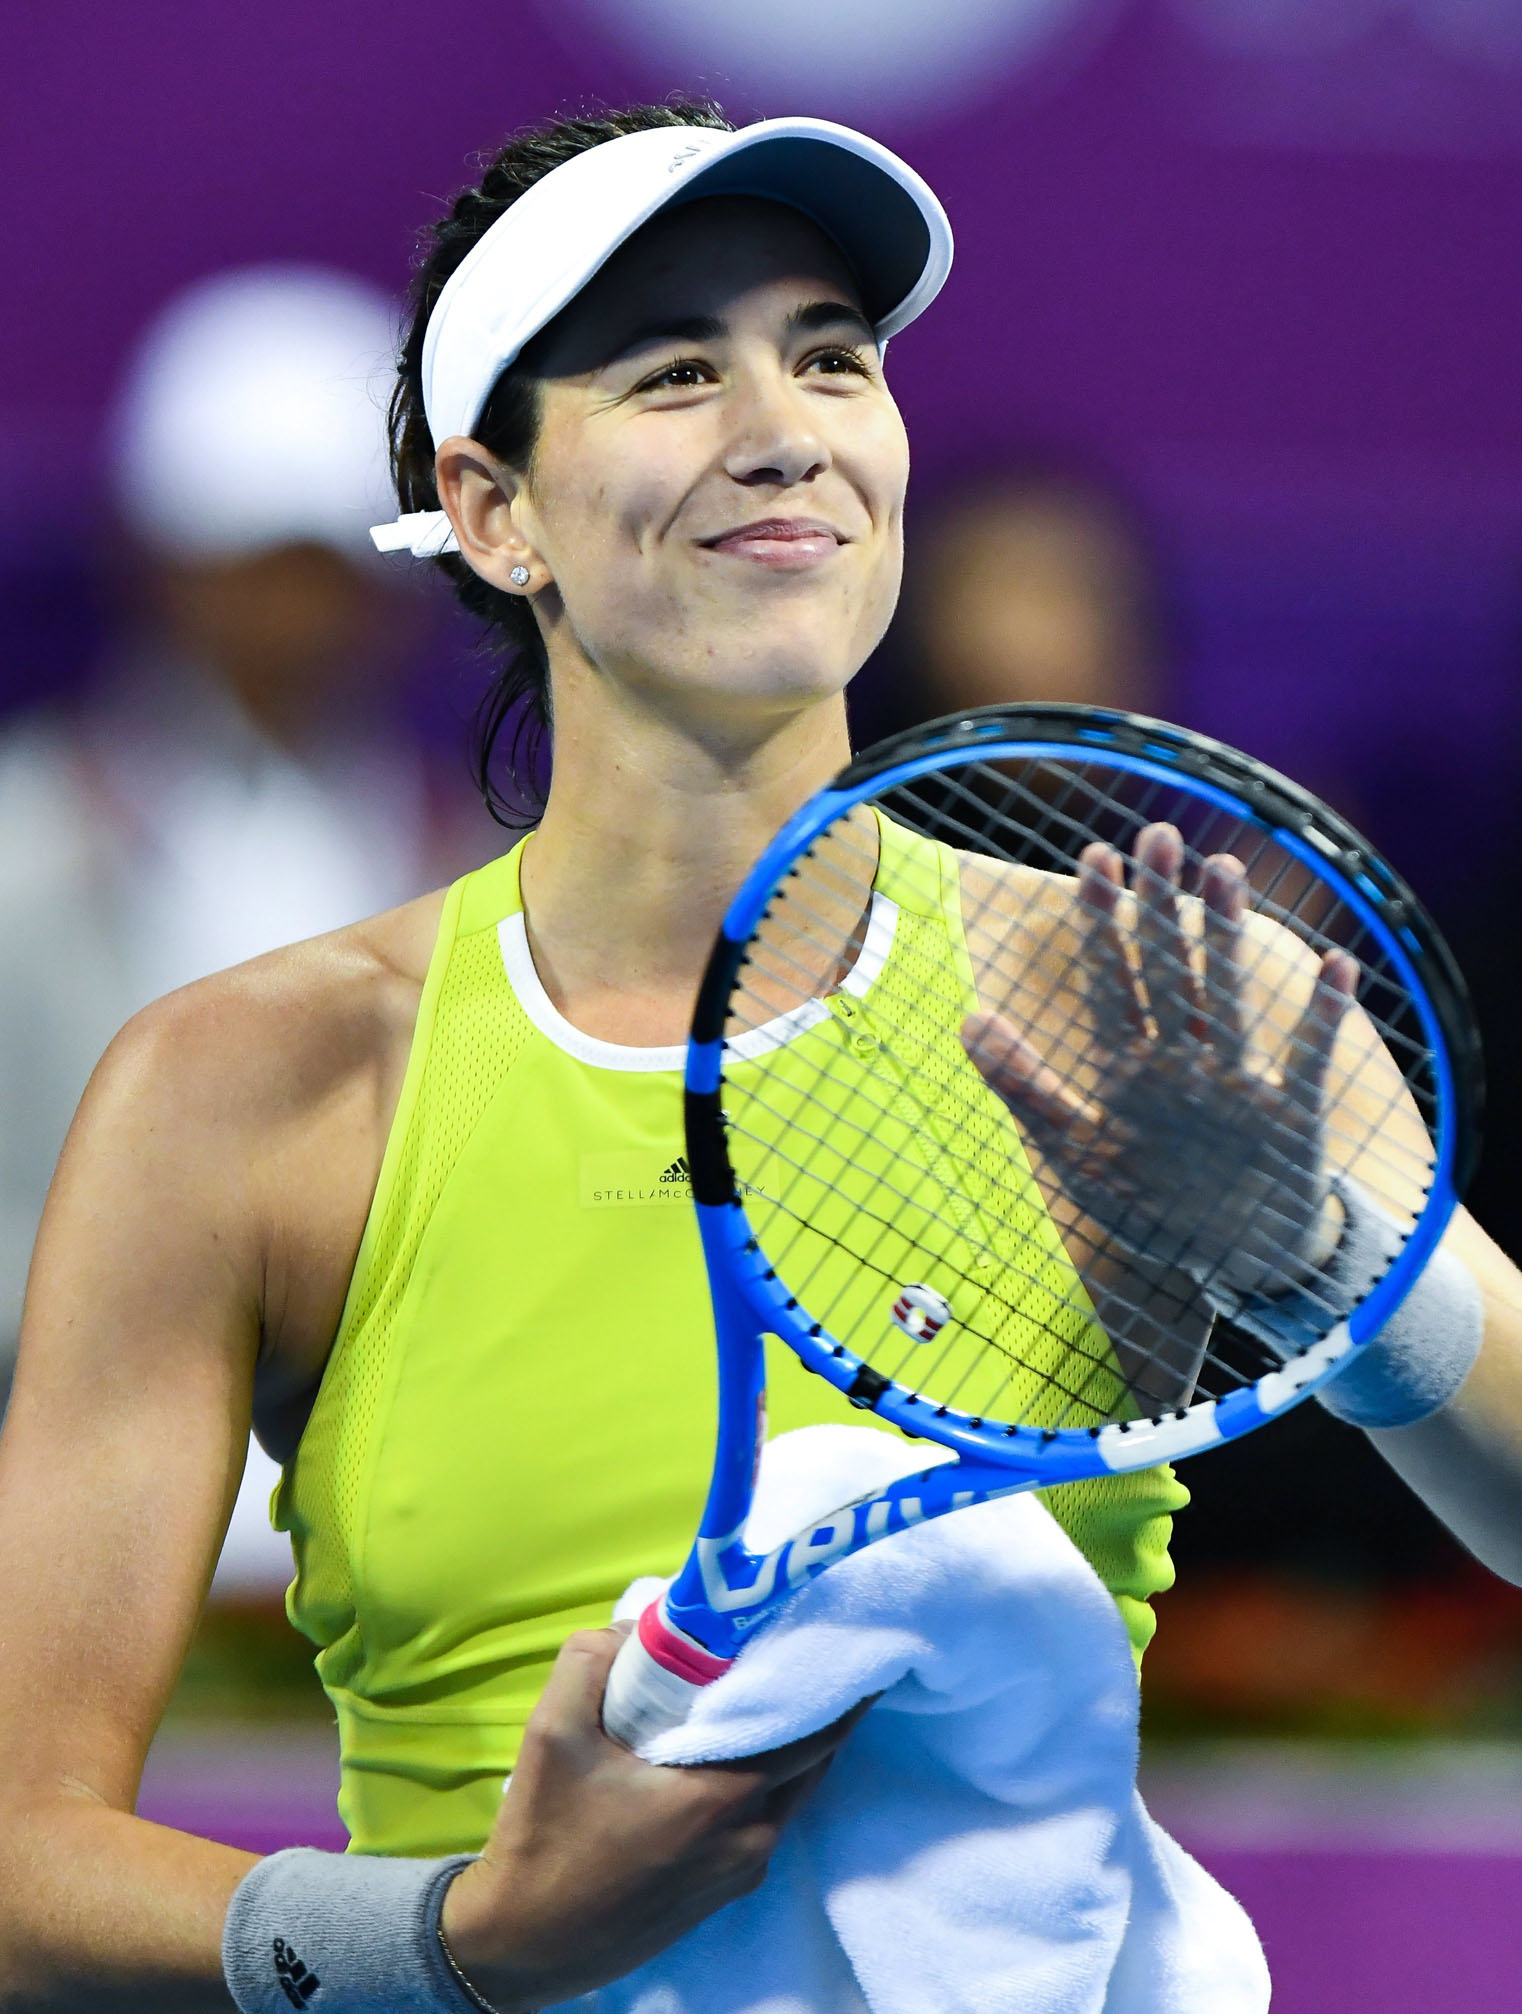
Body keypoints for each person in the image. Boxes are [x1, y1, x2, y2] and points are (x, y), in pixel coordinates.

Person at [0, 99, 1519, 2014]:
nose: (785, 427)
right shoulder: (248, 1087)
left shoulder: (1158, 1004)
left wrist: (1327, 1269)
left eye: (830, 357)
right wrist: (462, 1942)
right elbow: (16, 1863)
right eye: (670, 374)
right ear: (493, 511)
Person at [0, 267, 485, 1582]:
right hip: (74, 1544)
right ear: (162, 561)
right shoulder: (24, 848)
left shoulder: (479, 860)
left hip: (410, 1559)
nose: (299, 613)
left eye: (332, 568)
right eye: (257, 564)